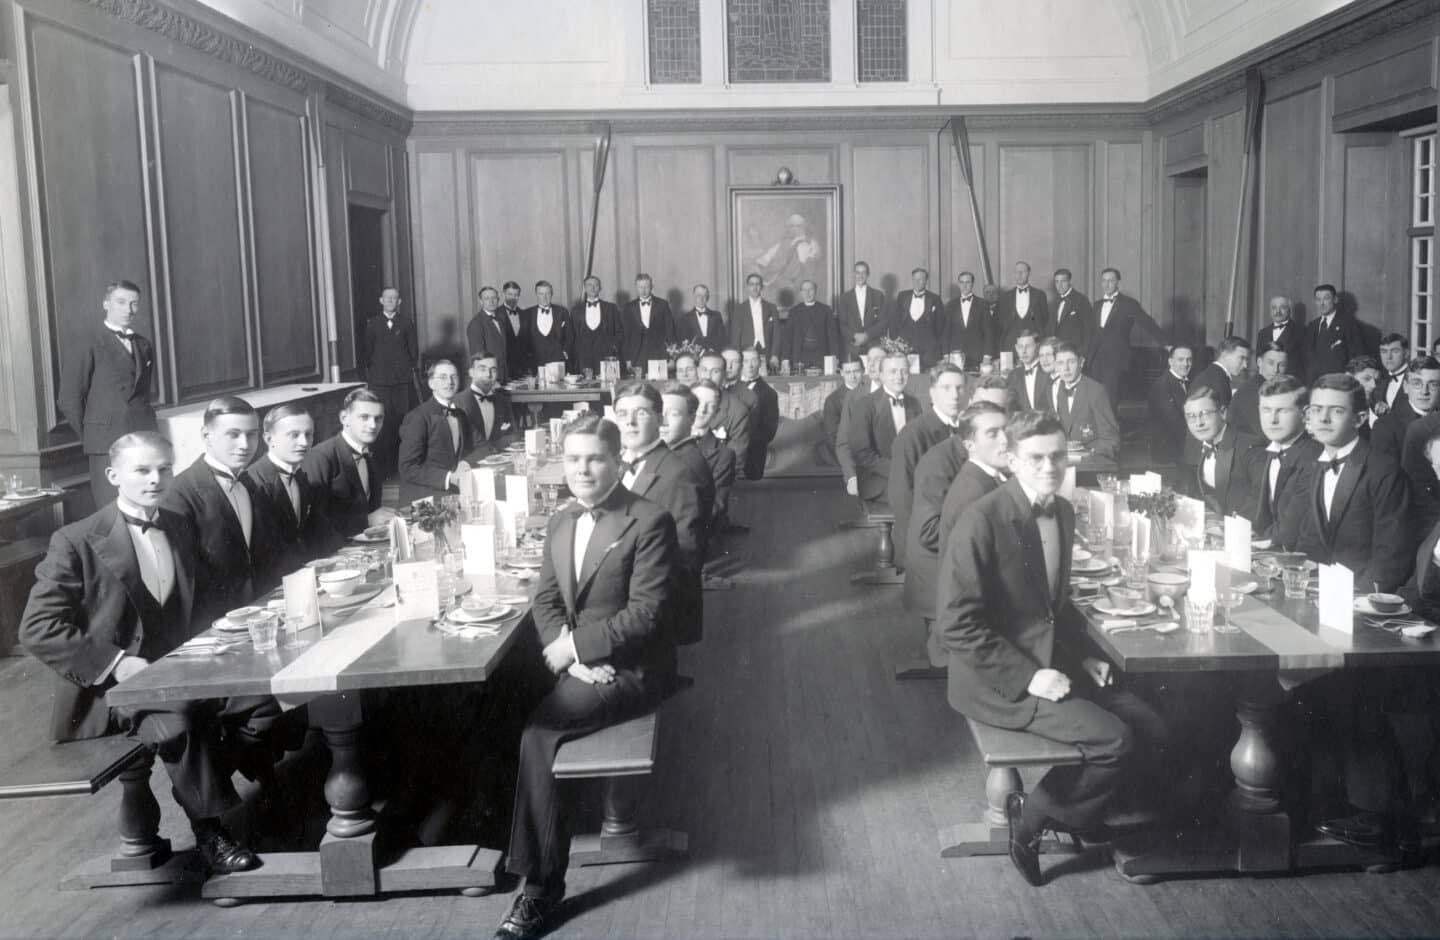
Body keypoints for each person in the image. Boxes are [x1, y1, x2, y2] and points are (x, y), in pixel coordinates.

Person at [21, 431, 279, 875]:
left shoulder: (177, 522)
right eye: (142, 470)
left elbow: (197, 597)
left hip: (178, 665)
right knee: (181, 720)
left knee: (266, 699)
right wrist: (118, 664)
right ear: (113, 475)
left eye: (164, 468)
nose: (155, 479)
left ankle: (237, 780)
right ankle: (211, 830)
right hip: (114, 685)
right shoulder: (76, 539)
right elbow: (37, 629)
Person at [936, 410, 1166, 886]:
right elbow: (956, 624)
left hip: (1048, 657)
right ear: (1013, 458)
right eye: (1036, 457)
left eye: (1058, 456)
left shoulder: (1061, 510)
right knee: (1115, 739)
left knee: (1151, 722)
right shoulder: (981, 518)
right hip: (996, 680)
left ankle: (1079, 815)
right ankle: (1033, 819)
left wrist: (1080, 655)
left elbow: (1047, 608)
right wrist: (1029, 676)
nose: (1049, 466)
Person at [491, 415, 677, 940]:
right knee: (500, 698)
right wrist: (569, 656)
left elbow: (647, 615)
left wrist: (575, 647)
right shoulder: (562, 519)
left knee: (540, 732)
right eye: (573, 459)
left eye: (595, 458)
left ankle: (540, 891)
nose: (583, 469)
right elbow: (546, 599)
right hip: (583, 662)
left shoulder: (648, 520)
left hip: (632, 666)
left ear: (618, 461)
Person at [1277, 373, 1413, 592]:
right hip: (1319, 590)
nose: (1323, 418)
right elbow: (1310, 538)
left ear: (1359, 419)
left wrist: (1354, 597)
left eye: (1337, 411)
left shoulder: (1384, 471)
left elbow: (1390, 557)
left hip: (1361, 598)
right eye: (1316, 409)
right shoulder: (1314, 463)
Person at [904, 401, 1009, 671]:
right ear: (969, 445)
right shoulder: (974, 490)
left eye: (1006, 431)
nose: (1005, 440)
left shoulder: (987, 479)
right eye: (993, 433)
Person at [163, 397, 281, 631]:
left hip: (259, 615)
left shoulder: (252, 482)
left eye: (252, 434)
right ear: (206, 436)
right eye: (233, 434)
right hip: (212, 625)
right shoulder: (179, 494)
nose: (245, 445)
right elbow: (186, 584)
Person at [614, 382, 707, 646]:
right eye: (622, 414)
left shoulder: (678, 473)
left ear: (659, 418)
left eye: (641, 413)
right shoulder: (620, 465)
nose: (630, 422)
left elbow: (687, 554)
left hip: (649, 608)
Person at [60, 279, 159, 505]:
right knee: (111, 509)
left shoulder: (143, 344)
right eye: (121, 302)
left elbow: (141, 396)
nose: (128, 310)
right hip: (105, 443)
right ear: (106, 304)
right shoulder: (88, 342)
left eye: (134, 304)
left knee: (143, 503)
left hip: (142, 438)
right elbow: (69, 398)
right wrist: (93, 435)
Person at [887, 363, 965, 568]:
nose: (955, 395)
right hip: (928, 537)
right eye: (946, 388)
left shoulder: (968, 430)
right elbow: (902, 497)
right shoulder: (913, 435)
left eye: (959, 388)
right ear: (932, 393)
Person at [303, 387, 391, 551]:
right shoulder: (321, 456)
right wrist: (367, 520)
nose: (373, 425)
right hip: (331, 552)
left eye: (378, 418)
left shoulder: (369, 451)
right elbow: (314, 523)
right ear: (344, 418)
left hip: (363, 547)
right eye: (364, 417)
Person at [244, 404, 323, 575]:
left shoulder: (299, 475)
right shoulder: (252, 482)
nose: (304, 442)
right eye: (294, 435)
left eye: (308, 435)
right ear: (269, 439)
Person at [1246, 375, 1321, 539]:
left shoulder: (1314, 458)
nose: (1272, 420)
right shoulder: (1264, 453)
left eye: (1282, 411)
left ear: (1305, 414)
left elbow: (1290, 531)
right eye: (1266, 410)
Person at [848, 352, 922, 509]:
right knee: (918, 499)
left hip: (909, 477)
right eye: (893, 371)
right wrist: (900, 472)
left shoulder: (914, 404)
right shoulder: (864, 405)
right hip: (878, 481)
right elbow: (862, 454)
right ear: (881, 375)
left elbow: (920, 446)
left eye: (904, 371)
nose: (899, 376)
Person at [360, 287, 419, 478]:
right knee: (382, 423)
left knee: (402, 422)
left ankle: (402, 466)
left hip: (402, 381)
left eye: (394, 298)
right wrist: (378, 372)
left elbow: (413, 352)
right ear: (381, 300)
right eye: (387, 298)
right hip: (380, 382)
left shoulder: (407, 323)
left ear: (399, 302)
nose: (391, 301)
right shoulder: (373, 324)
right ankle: (384, 469)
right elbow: (367, 353)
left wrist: (402, 370)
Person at [397, 360, 474, 504]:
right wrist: (448, 478)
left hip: (451, 496)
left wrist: (465, 462)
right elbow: (407, 467)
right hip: (423, 500)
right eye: (443, 377)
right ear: (431, 384)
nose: (450, 382)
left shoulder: (461, 414)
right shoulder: (418, 417)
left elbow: (469, 450)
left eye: (454, 376)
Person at [1180, 385, 1262, 520]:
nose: (1198, 423)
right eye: (1191, 416)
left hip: (1247, 532)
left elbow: (1259, 499)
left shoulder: (1249, 446)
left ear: (1223, 413)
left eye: (1205, 414)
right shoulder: (1201, 444)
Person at [659, 383, 717, 532]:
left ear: (692, 418)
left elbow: (686, 538)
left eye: (673, 414)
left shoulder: (685, 466)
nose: (663, 421)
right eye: (660, 413)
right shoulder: (673, 455)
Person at [1048, 343, 1120, 461]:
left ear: (1081, 362)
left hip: (1090, 463)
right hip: (1062, 462)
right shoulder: (1054, 389)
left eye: (1071, 362)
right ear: (1056, 366)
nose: (1066, 368)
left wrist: (1090, 456)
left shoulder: (1096, 391)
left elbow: (1111, 439)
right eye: (1060, 363)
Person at [1085, 267, 1145, 407]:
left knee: (1110, 398)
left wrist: (1166, 343)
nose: (1106, 284)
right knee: (1094, 396)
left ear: (1118, 282)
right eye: (1104, 281)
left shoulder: (1129, 304)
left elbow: (1147, 323)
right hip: (1095, 360)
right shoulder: (1097, 305)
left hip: (1115, 360)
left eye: (1111, 281)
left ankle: (1110, 428)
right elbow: (1092, 333)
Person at [836, 345, 886, 496]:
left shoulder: (904, 394)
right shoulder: (854, 397)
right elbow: (843, 443)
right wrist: (851, 476)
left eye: (877, 360)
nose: (871, 364)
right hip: (865, 477)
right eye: (869, 360)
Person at [1372, 355, 1440, 464]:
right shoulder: (1385, 427)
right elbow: (1387, 478)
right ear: (1406, 387)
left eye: (1433, 384)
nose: (1424, 391)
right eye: (1417, 383)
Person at [690, 380, 739, 531]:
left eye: (710, 405)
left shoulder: (724, 455)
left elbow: (715, 506)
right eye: (697, 402)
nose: (701, 409)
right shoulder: (663, 441)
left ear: (717, 412)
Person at [454, 353, 519, 456]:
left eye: (493, 370)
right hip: (467, 466)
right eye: (482, 369)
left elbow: (514, 436)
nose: (488, 374)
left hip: (499, 461)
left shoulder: (502, 401)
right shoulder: (457, 403)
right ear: (471, 372)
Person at [1302, 283, 1368, 381]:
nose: (1322, 303)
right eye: (1318, 299)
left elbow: (1357, 357)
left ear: (1335, 300)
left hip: (1338, 384)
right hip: (1315, 385)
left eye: (1326, 298)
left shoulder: (1349, 324)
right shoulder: (1312, 326)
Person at [752, 212, 823, 300]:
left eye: (798, 226)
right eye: (792, 226)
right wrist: (758, 265)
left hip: (801, 283)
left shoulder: (812, 243)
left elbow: (813, 263)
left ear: (804, 227)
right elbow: (765, 259)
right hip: (779, 281)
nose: (794, 228)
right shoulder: (782, 244)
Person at [884, 267, 944, 368]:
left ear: (926, 281)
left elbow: (940, 325)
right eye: (915, 279)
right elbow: (894, 321)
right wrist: (897, 343)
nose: (917, 282)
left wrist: (933, 343)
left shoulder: (935, 298)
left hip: (928, 350)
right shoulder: (902, 296)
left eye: (920, 279)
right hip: (905, 349)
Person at [697, 351, 751, 461]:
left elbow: (736, 461)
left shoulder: (738, 412)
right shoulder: (684, 402)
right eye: (704, 370)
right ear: (698, 372)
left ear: (724, 374)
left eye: (715, 371)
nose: (708, 376)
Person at [1228, 342, 1290, 439]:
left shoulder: (1268, 388)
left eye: (1281, 365)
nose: (1276, 370)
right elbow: (1267, 434)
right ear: (1259, 362)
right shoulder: (1251, 391)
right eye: (1271, 363)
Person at [1147, 344, 1192, 470]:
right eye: (1181, 360)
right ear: (1170, 361)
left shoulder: (1190, 382)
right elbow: (1174, 422)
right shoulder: (1162, 385)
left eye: (1189, 360)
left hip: (1184, 445)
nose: (1185, 364)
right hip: (1168, 452)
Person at [780, 279, 842, 369]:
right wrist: (785, 359)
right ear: (801, 292)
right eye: (804, 290)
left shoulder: (826, 310)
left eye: (811, 290)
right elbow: (788, 338)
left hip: (821, 356)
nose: (807, 293)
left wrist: (835, 357)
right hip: (800, 356)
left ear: (815, 291)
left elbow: (832, 337)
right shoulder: (794, 312)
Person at [620, 273, 676, 370]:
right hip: (636, 356)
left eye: (646, 287)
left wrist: (672, 358)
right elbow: (626, 335)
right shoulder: (629, 307)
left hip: (659, 354)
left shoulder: (663, 305)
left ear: (652, 287)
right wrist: (627, 359)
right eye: (640, 287)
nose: (643, 290)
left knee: (659, 383)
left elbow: (670, 331)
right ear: (636, 287)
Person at [738, 348, 779, 480]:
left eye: (754, 361)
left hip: (753, 453)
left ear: (760, 363)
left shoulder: (769, 394)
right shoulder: (729, 387)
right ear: (740, 363)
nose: (750, 365)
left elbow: (769, 431)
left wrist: (746, 443)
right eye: (746, 361)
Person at [570, 276, 624, 376]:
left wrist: (613, 348)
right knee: (585, 387)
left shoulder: (611, 308)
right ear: (585, 288)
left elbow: (620, 331)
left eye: (596, 285)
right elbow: (572, 335)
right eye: (589, 285)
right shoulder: (576, 310)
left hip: (606, 356)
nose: (593, 288)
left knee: (607, 385)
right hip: (583, 358)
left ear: (600, 288)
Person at [994, 261, 1050, 353]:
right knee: (1009, 367)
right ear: (1014, 274)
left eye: (1022, 272)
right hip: (1009, 344)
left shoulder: (1040, 295)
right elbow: (999, 321)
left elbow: (1045, 318)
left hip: (1033, 343)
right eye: (1016, 272)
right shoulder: (1004, 297)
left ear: (1029, 273)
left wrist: (1035, 334)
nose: (1019, 275)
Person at [467, 285, 519, 384]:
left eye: (494, 298)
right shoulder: (476, 324)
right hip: (489, 379)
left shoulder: (500, 320)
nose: (491, 301)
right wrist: (489, 379)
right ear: (481, 301)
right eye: (487, 298)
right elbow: (479, 359)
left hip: (504, 377)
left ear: (498, 300)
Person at [837, 260, 888, 358]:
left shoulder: (878, 295)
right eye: (857, 272)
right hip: (852, 346)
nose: (860, 276)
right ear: (854, 274)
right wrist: (854, 336)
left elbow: (883, 322)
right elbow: (841, 324)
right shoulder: (845, 298)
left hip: (873, 345)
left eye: (863, 272)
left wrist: (867, 335)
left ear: (868, 274)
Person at [942, 270, 994, 367]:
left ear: (972, 284)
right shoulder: (951, 305)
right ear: (959, 284)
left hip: (977, 356)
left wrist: (987, 356)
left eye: (967, 282)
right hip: (955, 357)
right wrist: (945, 355)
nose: (964, 286)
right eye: (962, 282)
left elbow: (988, 333)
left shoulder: (983, 304)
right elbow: (946, 333)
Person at [523, 281, 572, 376]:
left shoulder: (562, 312)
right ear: (536, 294)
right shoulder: (527, 313)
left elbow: (570, 335)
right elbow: (524, 339)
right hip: (535, 362)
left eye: (548, 293)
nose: (545, 297)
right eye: (541, 294)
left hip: (558, 361)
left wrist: (565, 352)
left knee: (559, 388)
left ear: (552, 294)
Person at [731, 273, 779, 365]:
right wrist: (737, 356)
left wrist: (775, 354)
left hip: (766, 351)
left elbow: (776, 334)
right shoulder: (739, 309)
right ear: (747, 287)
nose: (755, 287)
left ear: (761, 287)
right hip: (746, 352)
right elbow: (735, 336)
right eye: (752, 284)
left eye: (757, 284)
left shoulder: (771, 308)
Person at [823, 359, 865, 462]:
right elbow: (833, 437)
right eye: (848, 372)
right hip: (849, 456)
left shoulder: (875, 393)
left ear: (863, 371)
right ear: (841, 373)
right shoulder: (832, 400)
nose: (853, 377)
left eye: (856, 371)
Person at [1190, 336, 1251, 406]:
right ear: (1224, 355)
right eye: (1241, 358)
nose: (1245, 365)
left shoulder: (1214, 375)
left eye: (1246, 360)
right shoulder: (1216, 380)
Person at [1006, 329, 1051, 412]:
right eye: (1020, 347)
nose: (1023, 351)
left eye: (1028, 346)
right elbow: (1010, 408)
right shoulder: (1013, 375)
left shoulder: (1049, 371)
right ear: (1016, 348)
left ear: (1038, 347)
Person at [1256, 295, 1304, 373]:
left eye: (1282, 308)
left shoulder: (1301, 331)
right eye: (1274, 308)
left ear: (1289, 310)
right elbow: (1259, 360)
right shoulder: (1262, 333)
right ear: (1270, 311)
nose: (1278, 311)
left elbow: (1304, 363)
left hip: (1289, 381)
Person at [1050, 268, 1092, 356]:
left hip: (1075, 352)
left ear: (1069, 282)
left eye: (1063, 281)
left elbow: (1089, 330)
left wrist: (1084, 354)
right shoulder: (1053, 303)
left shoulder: (1081, 300)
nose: (1059, 285)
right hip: (1057, 352)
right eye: (1057, 282)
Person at [499, 281, 533, 380]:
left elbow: (529, 343)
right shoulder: (496, 314)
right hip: (504, 368)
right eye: (510, 294)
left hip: (523, 369)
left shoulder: (525, 315)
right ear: (504, 294)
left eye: (516, 295)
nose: (513, 298)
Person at [675, 285, 724, 353]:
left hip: (714, 356)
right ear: (694, 297)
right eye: (698, 295)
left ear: (708, 298)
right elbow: (683, 341)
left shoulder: (716, 316)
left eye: (704, 296)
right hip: (693, 356)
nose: (701, 298)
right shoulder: (685, 318)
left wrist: (713, 350)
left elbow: (721, 338)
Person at [1374, 333, 1411, 414]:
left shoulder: (1414, 378)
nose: (1388, 357)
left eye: (1395, 351)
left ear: (1406, 353)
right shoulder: (1378, 379)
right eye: (1384, 351)